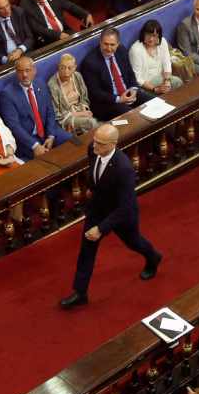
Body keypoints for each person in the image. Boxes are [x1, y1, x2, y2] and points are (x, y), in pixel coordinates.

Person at [60, 122, 162, 308]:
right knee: (86, 250)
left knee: (134, 242)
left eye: (100, 143)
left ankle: (153, 257)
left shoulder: (124, 169)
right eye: (95, 140)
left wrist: (101, 228)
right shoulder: (94, 149)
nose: (94, 145)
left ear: (112, 144)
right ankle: (80, 293)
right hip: (98, 209)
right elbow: (95, 173)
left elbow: (126, 206)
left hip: (121, 215)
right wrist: (94, 190)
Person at [0, 56, 70, 160]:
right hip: (27, 140)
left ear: (34, 70)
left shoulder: (40, 83)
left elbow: (50, 111)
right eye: (20, 71)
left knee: (73, 142)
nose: (24, 75)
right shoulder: (8, 94)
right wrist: (35, 145)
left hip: (47, 131)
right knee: (47, 162)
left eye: (27, 70)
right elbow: (14, 127)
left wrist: (51, 135)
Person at [49, 54, 98, 138]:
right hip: (65, 117)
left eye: (69, 68)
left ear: (75, 67)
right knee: (91, 123)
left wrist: (84, 109)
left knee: (94, 125)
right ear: (58, 67)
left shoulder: (77, 76)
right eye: (62, 67)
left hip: (81, 110)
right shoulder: (52, 84)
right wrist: (81, 114)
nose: (66, 72)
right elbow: (58, 113)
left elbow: (84, 97)